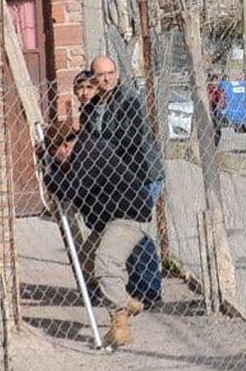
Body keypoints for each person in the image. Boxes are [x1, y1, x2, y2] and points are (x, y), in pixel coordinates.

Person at [45, 122, 152, 347]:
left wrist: (49, 178)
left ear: (65, 146)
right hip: (109, 220)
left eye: (54, 153)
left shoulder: (91, 154)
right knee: (88, 260)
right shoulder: (80, 153)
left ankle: (120, 323)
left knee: (106, 263)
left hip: (129, 216)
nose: (54, 159)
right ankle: (124, 300)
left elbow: (71, 190)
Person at [88, 56, 165, 303]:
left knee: (136, 232)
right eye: (101, 75)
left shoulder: (128, 101)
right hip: (118, 181)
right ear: (93, 78)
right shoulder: (92, 106)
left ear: (117, 74)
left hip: (142, 176)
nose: (107, 78)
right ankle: (131, 285)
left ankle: (150, 290)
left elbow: (126, 141)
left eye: (110, 73)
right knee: (121, 232)